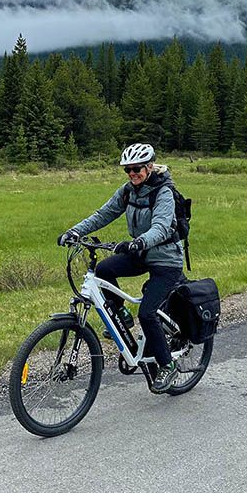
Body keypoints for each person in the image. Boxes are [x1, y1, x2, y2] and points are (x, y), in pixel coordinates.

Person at [57, 143, 184, 392]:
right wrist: (75, 231)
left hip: (166, 260)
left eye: (137, 169)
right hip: (142, 254)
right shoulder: (128, 191)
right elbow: (103, 214)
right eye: (128, 170)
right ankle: (121, 315)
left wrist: (138, 241)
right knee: (104, 270)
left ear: (149, 167)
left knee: (147, 313)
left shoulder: (164, 192)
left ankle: (167, 365)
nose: (132, 174)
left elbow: (160, 226)